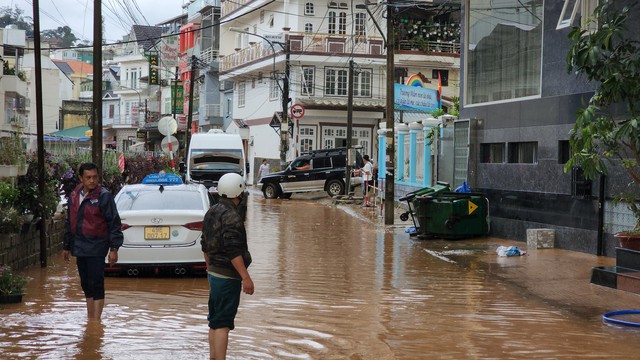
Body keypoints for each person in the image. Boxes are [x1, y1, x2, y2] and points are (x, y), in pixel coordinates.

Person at [201, 173, 254, 360]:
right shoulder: (232, 217)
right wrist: (246, 277)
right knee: (223, 324)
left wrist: (209, 268)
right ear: (238, 192)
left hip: (214, 274)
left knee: (214, 322)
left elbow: (205, 244)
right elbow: (233, 251)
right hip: (228, 277)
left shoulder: (211, 211)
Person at [63, 162, 123, 321]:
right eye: (88, 177)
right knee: (85, 283)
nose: (92, 181)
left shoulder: (104, 197)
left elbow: (114, 223)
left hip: (97, 246)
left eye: (95, 177)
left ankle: (96, 321)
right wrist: (66, 246)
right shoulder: (74, 196)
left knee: (96, 282)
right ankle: (91, 318)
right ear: (81, 178)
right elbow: (70, 221)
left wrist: (114, 249)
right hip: (80, 246)